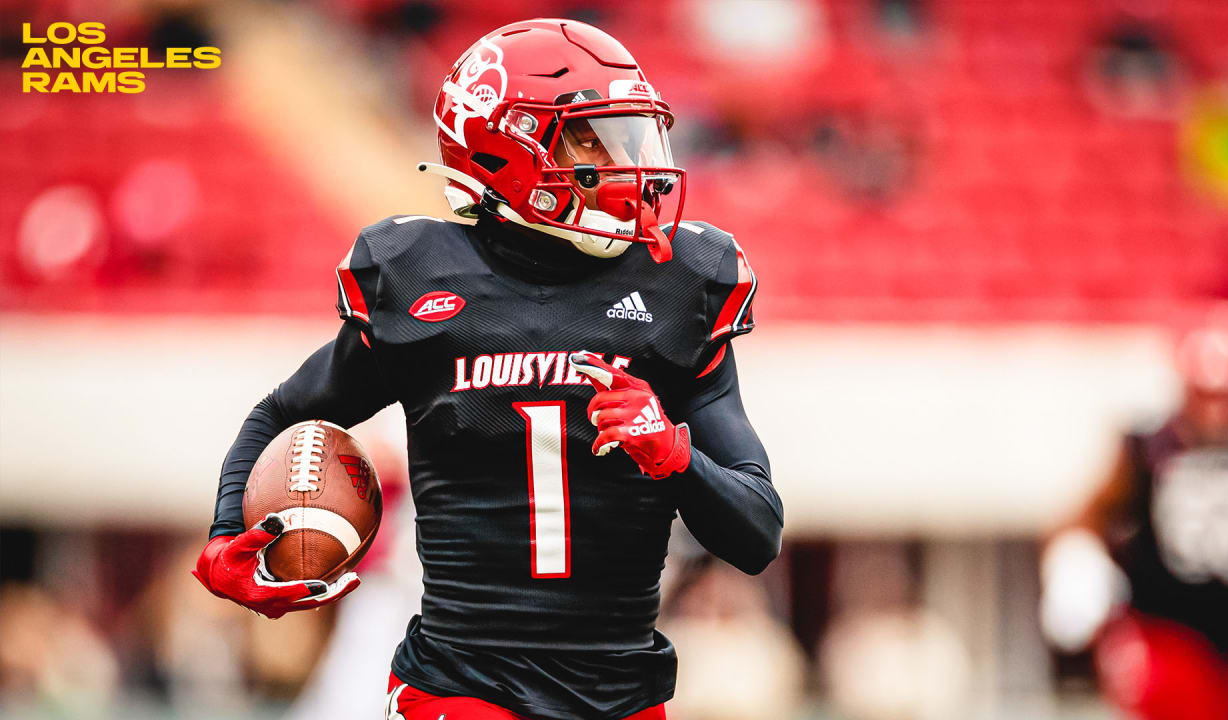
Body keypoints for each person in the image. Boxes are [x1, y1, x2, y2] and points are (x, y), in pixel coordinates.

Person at [190, 18, 783, 720]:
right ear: (503, 152)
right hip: (461, 689)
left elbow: (757, 534)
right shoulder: (419, 281)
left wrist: (675, 456)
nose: (628, 163)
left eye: (630, 133)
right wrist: (231, 529)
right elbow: (282, 414)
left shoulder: (680, 283)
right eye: (591, 138)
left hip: (622, 697)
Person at [1040, 302, 1228, 720]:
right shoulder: (1145, 451)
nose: (1214, 412)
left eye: (1224, 396)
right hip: (1162, 638)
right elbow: (1089, 515)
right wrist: (1075, 559)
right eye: (1204, 395)